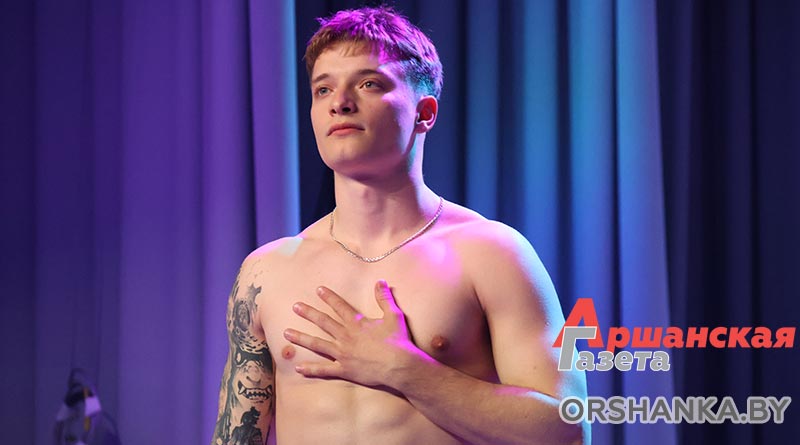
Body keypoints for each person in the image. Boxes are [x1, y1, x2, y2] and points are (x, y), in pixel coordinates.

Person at [212, 6, 588, 445]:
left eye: (368, 84)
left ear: (424, 112)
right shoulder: (266, 270)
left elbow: (567, 430)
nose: (339, 102)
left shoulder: (493, 253)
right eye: (323, 88)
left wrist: (404, 370)